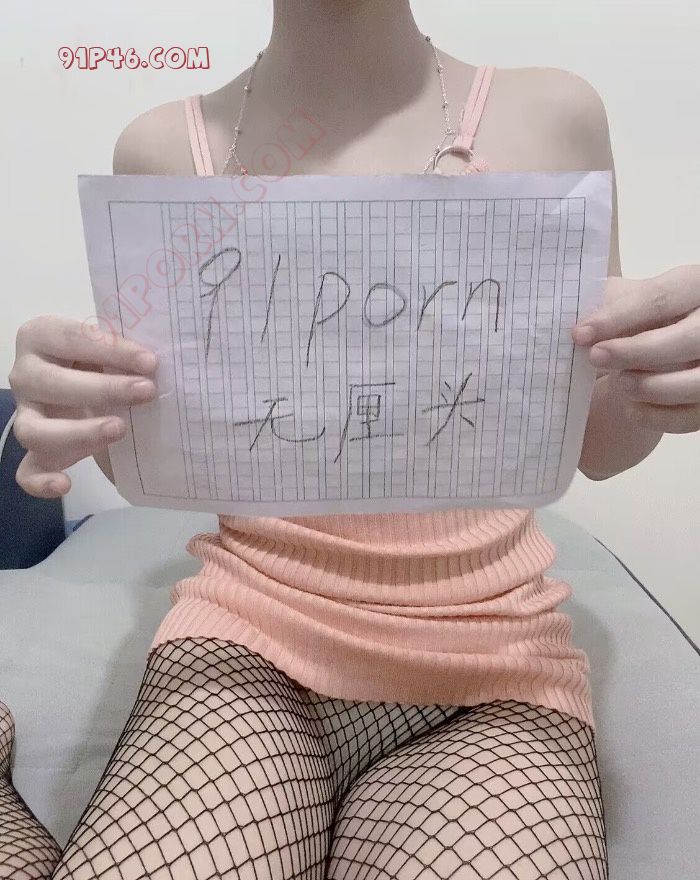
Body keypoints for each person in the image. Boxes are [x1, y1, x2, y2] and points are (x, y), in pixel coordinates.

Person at [5, 1, 700, 877]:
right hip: (248, 640)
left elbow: (596, 448)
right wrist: (75, 406)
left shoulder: (554, 113)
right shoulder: (161, 149)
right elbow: (156, 440)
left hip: (491, 659)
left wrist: (655, 382)